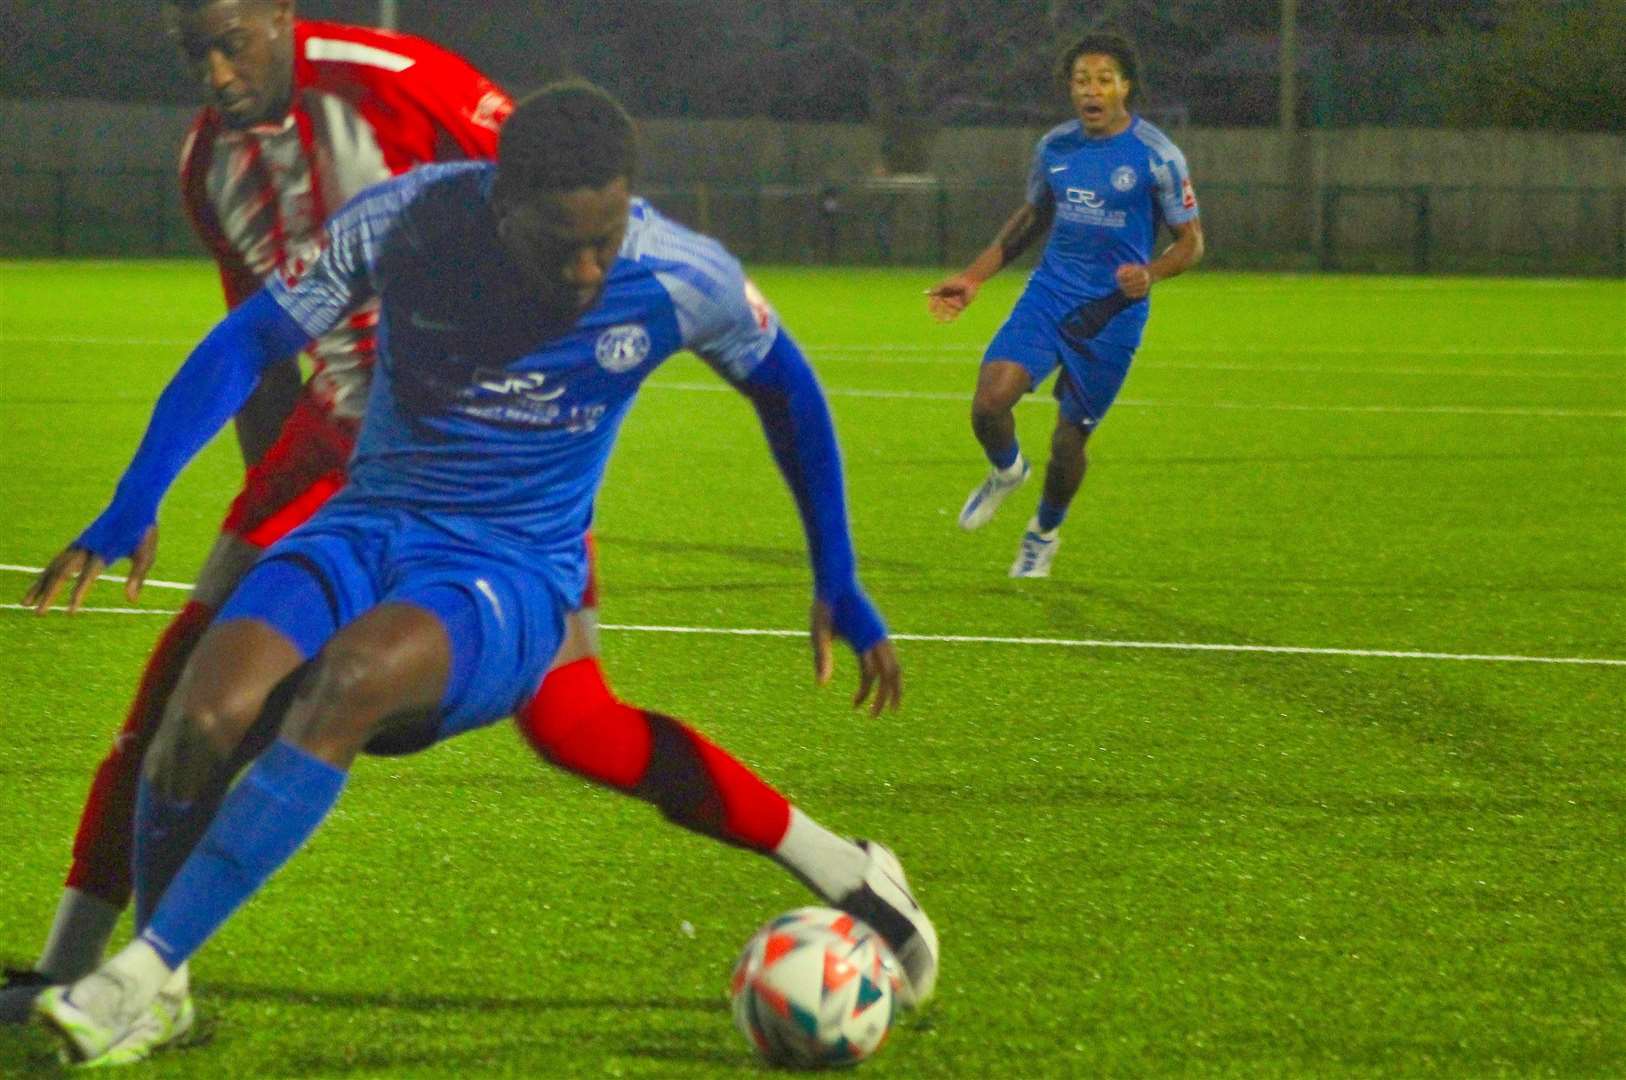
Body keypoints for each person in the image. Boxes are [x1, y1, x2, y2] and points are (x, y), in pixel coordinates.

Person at [30, 81, 938, 1068]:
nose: (589, 269)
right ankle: (161, 988)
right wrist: (137, 495)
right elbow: (254, 336)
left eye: (607, 238)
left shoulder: (683, 274)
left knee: (356, 679)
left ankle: (139, 970)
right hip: (366, 526)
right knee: (201, 715)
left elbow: (788, 389)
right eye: (560, 245)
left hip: (512, 570)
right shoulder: (408, 220)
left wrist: (837, 576)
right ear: (499, 203)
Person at [0, 0, 518, 1025]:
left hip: (458, 457)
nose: (217, 72)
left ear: (282, 15)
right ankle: (87, 971)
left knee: (575, 723)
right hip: (320, 451)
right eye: (195, 51)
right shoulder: (209, 166)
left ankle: (854, 881)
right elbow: (259, 346)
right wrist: (241, 511)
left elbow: (566, 187)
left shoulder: (398, 79)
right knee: (179, 696)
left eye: (233, 41)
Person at [927, 31, 1204, 578]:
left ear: (1125, 86)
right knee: (988, 403)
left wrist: (1148, 274)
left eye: (1104, 79)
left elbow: (1192, 242)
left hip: (1112, 313)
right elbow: (1031, 218)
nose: (1091, 90)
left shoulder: (1157, 156)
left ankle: (1043, 532)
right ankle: (1007, 472)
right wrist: (974, 277)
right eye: (1081, 81)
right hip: (1049, 296)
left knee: (1068, 440)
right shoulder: (1054, 148)